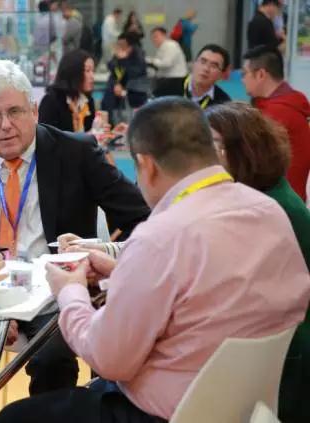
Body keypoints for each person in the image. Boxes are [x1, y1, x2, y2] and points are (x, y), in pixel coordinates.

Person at [0, 97, 310, 423]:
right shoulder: (269, 212)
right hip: (244, 407)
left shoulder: (161, 236)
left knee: (14, 417)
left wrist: (70, 291)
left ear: (147, 165)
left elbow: (107, 359)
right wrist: (121, 273)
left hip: (163, 412)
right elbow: (198, 294)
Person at [0, 59, 150, 396]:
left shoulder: (77, 152)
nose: (5, 125)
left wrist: (109, 263)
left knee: (52, 359)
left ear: (34, 111)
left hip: (56, 293)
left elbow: (141, 217)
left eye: (15, 111)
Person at [204, 102, 310, 423]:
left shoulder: (264, 208)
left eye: (214, 146)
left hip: (286, 358)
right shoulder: (268, 195)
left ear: (244, 150)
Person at [242, 45, 310, 201]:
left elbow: (251, 163)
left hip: (280, 202)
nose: (242, 79)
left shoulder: (276, 113)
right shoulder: (291, 100)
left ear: (261, 74)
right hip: (291, 197)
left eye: (244, 74)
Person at [153, 44, 231, 109]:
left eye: (213, 66)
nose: (206, 69)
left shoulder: (224, 103)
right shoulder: (167, 87)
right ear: (194, 63)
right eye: (203, 62)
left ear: (221, 74)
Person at [38, 49, 96, 133]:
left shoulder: (88, 101)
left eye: (93, 71)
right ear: (72, 72)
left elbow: (90, 134)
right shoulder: (51, 101)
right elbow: (45, 137)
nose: (92, 76)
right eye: (87, 71)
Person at [100, 32, 148, 125]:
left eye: (122, 45)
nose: (119, 47)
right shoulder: (119, 54)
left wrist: (123, 60)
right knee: (108, 98)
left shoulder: (138, 56)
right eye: (118, 44)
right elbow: (112, 68)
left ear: (130, 47)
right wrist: (116, 84)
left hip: (134, 92)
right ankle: (109, 122)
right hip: (116, 90)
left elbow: (135, 74)